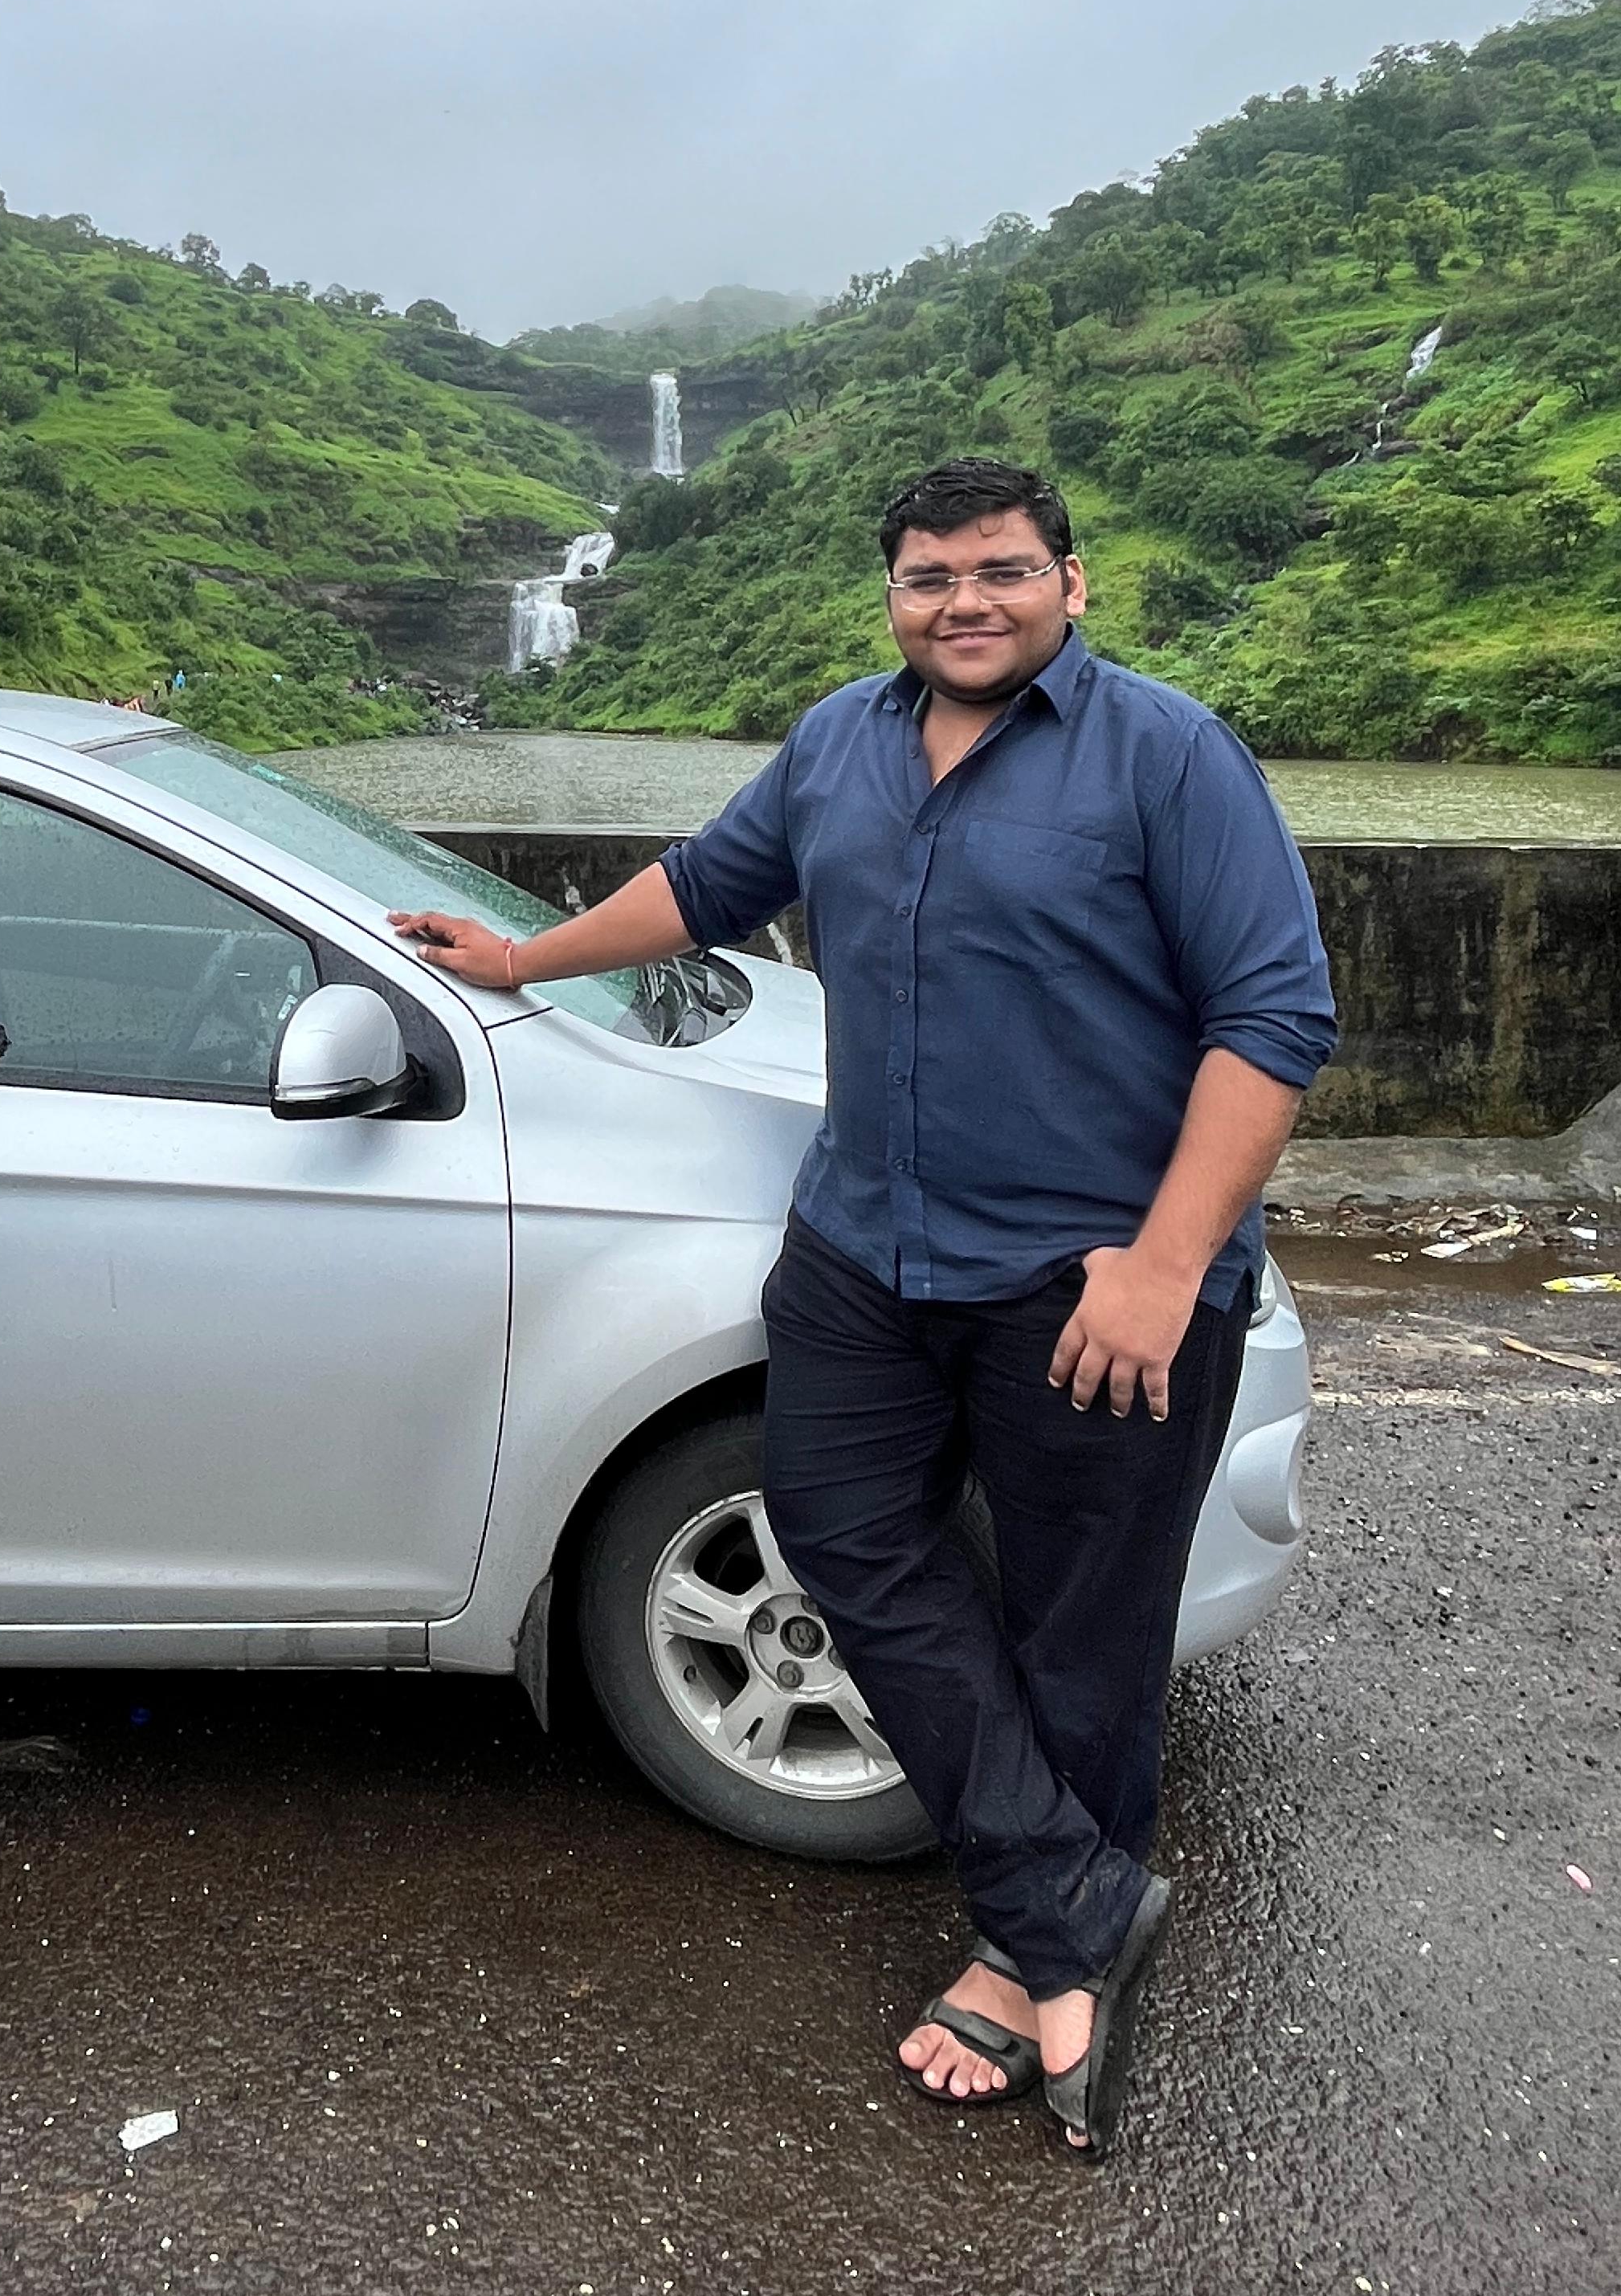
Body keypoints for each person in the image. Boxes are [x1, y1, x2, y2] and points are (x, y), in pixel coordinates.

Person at [391, 457, 1333, 2156]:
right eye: (929, 577)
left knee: (1083, 1626)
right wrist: (525, 961)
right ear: (893, 595)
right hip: (866, 1249)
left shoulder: (1168, 755)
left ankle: (1027, 1960)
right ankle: (1075, 1899)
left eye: (1002, 570)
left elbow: (1272, 1017)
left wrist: (1164, 1266)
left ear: (1071, 583)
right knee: (835, 1529)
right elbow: (708, 884)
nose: (965, 602)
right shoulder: (840, 739)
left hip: (1090, 1279)